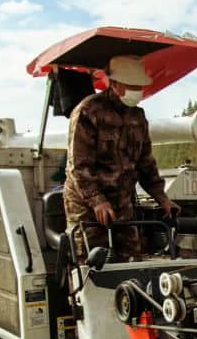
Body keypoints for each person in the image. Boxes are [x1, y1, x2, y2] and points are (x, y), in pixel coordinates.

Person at [63, 55, 180, 262]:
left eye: (139, 86)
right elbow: (79, 166)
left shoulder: (138, 117)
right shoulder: (88, 112)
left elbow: (146, 163)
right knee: (92, 261)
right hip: (86, 204)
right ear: (114, 84)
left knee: (131, 259)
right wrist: (97, 200)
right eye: (132, 85)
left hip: (122, 201)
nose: (138, 91)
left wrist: (162, 198)